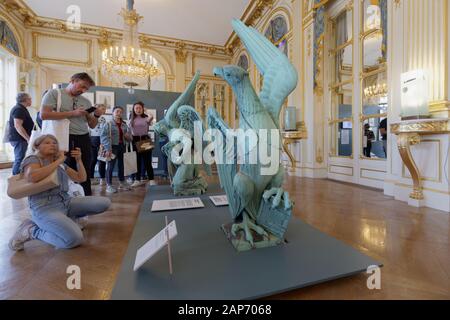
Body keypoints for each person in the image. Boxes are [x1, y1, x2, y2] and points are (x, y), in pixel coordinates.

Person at [8, 134, 111, 251]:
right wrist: (59, 161)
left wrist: (78, 160)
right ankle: (31, 231)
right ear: (37, 146)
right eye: (47, 142)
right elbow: (33, 177)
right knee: (74, 239)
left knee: (104, 202)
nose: (52, 144)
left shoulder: (59, 163)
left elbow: (81, 178)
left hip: (66, 202)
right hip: (44, 207)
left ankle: (67, 220)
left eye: (54, 142)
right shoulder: (33, 159)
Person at [40, 73, 105, 196]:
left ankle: (86, 198)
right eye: (82, 86)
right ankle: (66, 198)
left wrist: (96, 115)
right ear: (73, 80)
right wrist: (72, 113)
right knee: (65, 168)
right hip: (63, 137)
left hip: (84, 138)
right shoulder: (54, 94)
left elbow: (91, 125)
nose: (83, 90)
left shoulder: (85, 101)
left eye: (86, 88)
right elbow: (44, 115)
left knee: (85, 167)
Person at [101, 106, 133, 194]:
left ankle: (122, 182)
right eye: (117, 111)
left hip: (122, 146)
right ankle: (109, 185)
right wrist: (108, 149)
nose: (119, 113)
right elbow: (104, 137)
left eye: (120, 112)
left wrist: (128, 137)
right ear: (113, 113)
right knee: (110, 166)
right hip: (112, 147)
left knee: (121, 165)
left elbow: (129, 137)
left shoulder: (124, 124)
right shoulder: (108, 124)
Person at [129, 102, 155, 188]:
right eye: (136, 108)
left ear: (143, 109)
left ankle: (151, 180)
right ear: (133, 109)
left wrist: (146, 111)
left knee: (147, 161)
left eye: (140, 108)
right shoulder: (131, 118)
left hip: (145, 140)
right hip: (135, 140)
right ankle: (137, 180)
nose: (138, 110)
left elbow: (152, 116)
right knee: (137, 162)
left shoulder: (146, 118)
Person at [9, 93, 34, 175]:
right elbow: (18, 125)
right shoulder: (19, 109)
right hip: (20, 139)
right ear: (25, 100)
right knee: (19, 159)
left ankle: (19, 179)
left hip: (21, 139)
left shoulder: (22, 108)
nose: (31, 100)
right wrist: (28, 138)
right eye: (30, 98)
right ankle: (15, 180)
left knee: (22, 159)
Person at [89, 104, 107, 187]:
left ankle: (97, 178)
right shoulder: (97, 117)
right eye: (102, 109)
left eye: (104, 109)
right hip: (96, 139)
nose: (104, 110)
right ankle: (96, 178)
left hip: (97, 139)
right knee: (96, 160)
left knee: (98, 160)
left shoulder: (101, 118)